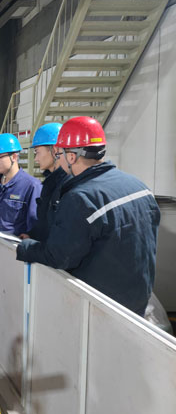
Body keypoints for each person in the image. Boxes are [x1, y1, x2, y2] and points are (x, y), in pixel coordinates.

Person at [16, 117, 160, 316]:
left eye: (60, 153)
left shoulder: (80, 199)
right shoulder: (139, 186)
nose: (59, 158)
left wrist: (25, 247)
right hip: (137, 304)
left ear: (71, 157)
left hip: (100, 308)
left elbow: (58, 256)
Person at [21, 123, 70, 242]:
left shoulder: (67, 186)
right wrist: (32, 235)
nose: (36, 159)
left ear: (55, 150)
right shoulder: (50, 183)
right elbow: (46, 223)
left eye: (37, 152)